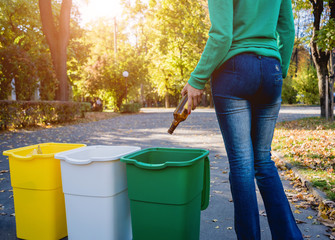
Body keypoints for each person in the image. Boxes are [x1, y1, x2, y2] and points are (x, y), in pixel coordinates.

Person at [181, 0, 303, 239]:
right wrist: (280, 68)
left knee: (242, 163)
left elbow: (222, 35)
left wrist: (197, 79)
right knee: (263, 161)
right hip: (271, 68)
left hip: (233, 70)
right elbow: (287, 30)